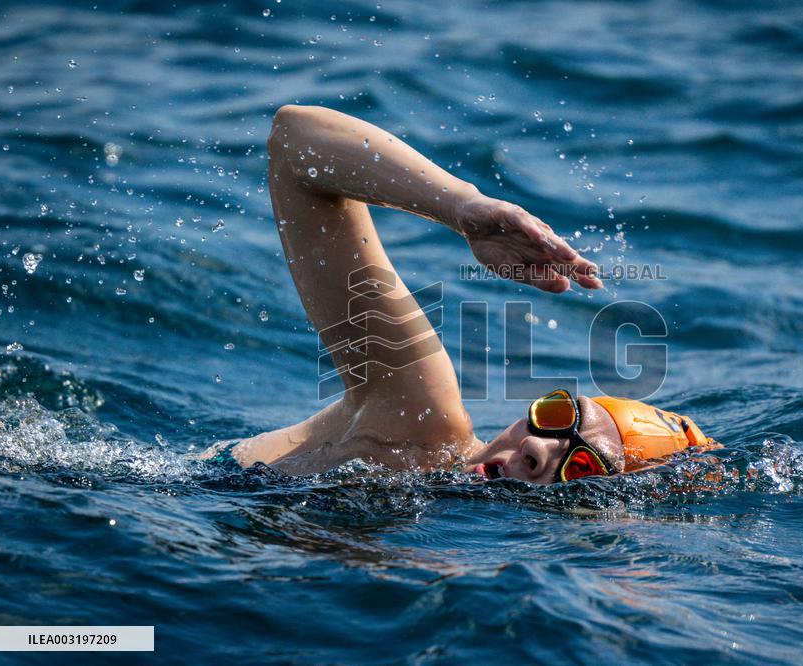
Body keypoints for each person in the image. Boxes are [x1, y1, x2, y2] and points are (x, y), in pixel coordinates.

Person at [200, 105, 717, 482]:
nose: (538, 448)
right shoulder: (420, 420)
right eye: (557, 415)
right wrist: (460, 206)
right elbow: (295, 141)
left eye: (580, 465)